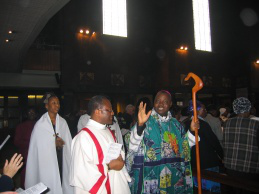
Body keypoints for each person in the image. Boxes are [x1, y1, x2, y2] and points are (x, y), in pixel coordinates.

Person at [126, 90, 199, 194]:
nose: (160, 104)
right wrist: (140, 125)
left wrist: (191, 131)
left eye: (164, 101)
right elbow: (131, 145)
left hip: (173, 176)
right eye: (157, 101)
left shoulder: (176, 125)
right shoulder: (146, 121)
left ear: (170, 104)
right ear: (153, 103)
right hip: (151, 177)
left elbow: (184, 148)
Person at [70, 95, 131, 194]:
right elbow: (81, 172)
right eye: (109, 110)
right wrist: (109, 166)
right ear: (97, 112)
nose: (113, 113)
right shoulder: (83, 137)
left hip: (114, 185)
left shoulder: (108, 131)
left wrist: (120, 157)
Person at [25, 93, 73, 194]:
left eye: (58, 103)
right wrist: (52, 144)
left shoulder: (63, 122)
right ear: (47, 106)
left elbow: (67, 144)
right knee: (49, 180)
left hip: (60, 158)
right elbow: (38, 146)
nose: (57, 105)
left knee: (60, 178)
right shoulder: (40, 125)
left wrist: (61, 144)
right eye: (53, 103)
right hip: (46, 161)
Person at [184, 101, 223, 193]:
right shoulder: (202, 124)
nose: (205, 111)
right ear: (196, 110)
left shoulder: (184, 123)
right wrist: (222, 156)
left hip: (194, 163)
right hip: (207, 162)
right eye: (203, 109)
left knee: (198, 188)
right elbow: (214, 141)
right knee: (210, 189)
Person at [223, 97, 259, 193]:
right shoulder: (255, 124)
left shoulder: (227, 123)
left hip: (230, 167)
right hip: (250, 168)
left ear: (235, 109)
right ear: (249, 109)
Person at [14, 108, 36, 188]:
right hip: (25, 155)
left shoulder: (39, 125)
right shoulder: (21, 126)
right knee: (25, 177)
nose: (32, 114)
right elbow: (17, 141)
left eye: (33, 112)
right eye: (30, 112)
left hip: (36, 155)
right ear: (26, 114)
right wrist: (30, 143)